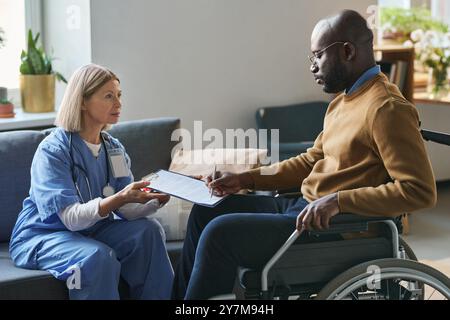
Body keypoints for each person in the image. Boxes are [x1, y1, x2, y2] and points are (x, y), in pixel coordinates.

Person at [172, 10, 437, 300]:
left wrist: (339, 201)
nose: (312, 67)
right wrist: (246, 178)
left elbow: (419, 191)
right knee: (205, 212)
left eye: (317, 56)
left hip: (333, 228)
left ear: (347, 51)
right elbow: (311, 160)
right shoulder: (342, 102)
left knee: (219, 233)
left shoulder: (386, 108)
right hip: (301, 209)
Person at [9, 64, 174, 300]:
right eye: (108, 96)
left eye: (119, 95)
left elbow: (126, 209)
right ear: (82, 101)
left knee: (149, 231)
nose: (118, 104)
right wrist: (118, 198)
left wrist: (156, 200)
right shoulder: (53, 151)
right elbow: (71, 219)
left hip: (92, 229)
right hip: (45, 235)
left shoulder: (113, 149)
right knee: (96, 257)